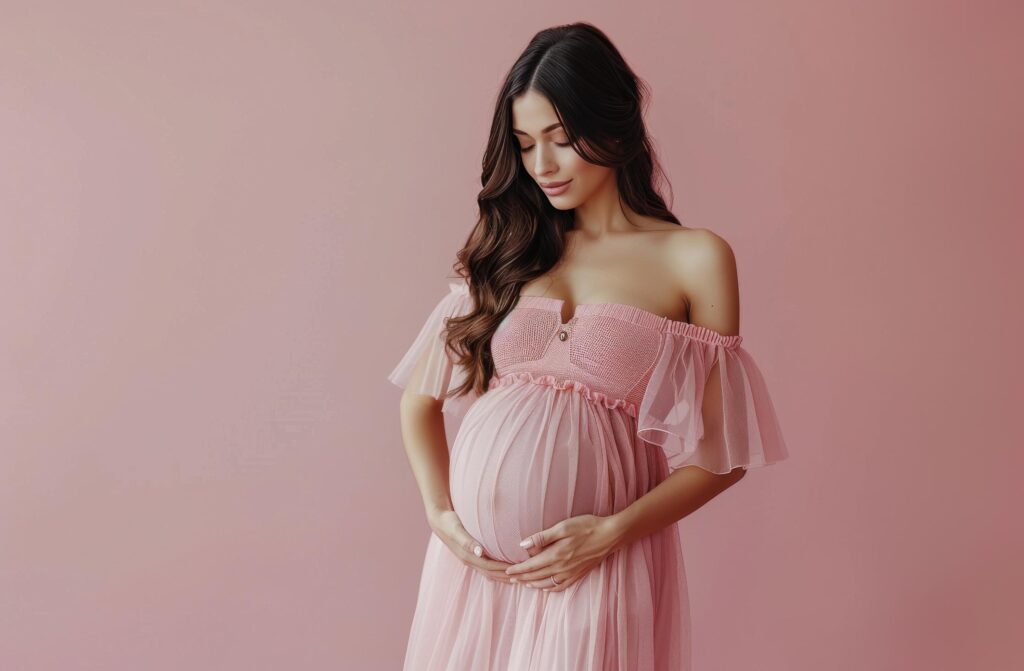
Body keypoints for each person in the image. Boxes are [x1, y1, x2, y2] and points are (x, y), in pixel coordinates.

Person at [387, 22, 789, 671]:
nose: (541, 165)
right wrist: (442, 516)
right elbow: (419, 403)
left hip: (595, 565)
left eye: (561, 140)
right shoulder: (513, 249)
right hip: (474, 577)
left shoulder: (694, 258)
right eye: (524, 145)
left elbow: (724, 454)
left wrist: (610, 533)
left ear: (614, 125)